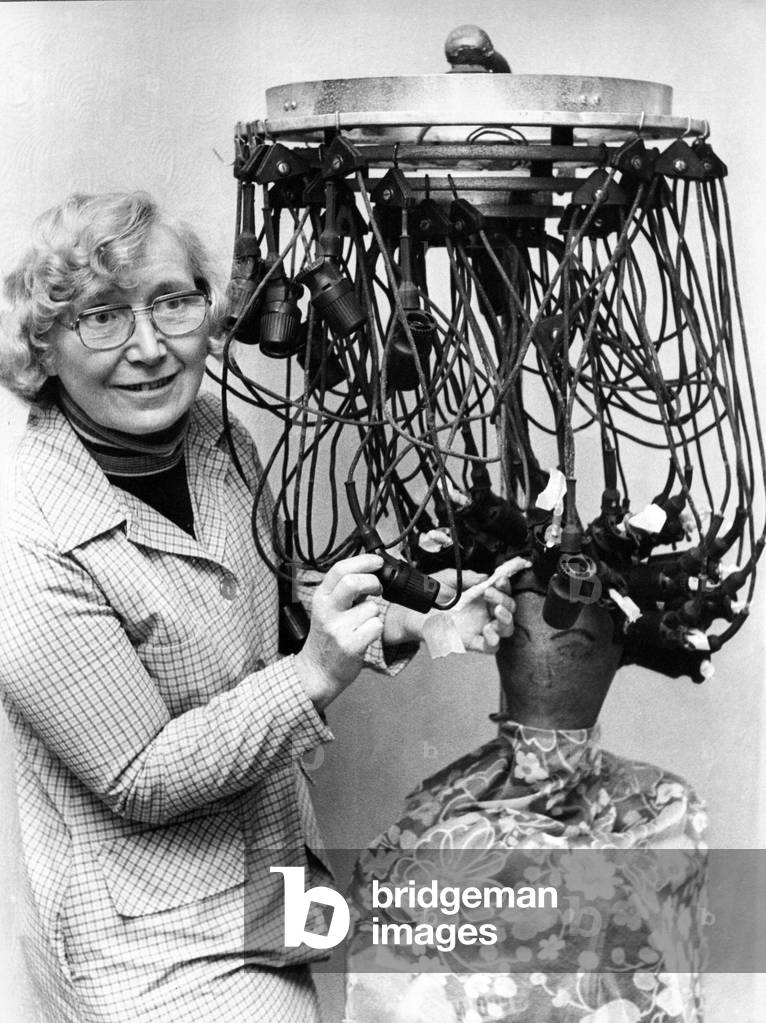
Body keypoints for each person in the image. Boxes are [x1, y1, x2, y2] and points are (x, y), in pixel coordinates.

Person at [0, 191, 517, 1023]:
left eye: (173, 302)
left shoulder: (216, 437)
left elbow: (274, 613)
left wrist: (420, 621)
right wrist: (314, 671)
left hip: (273, 895)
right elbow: (142, 774)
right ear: (43, 346)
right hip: (156, 952)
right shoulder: (24, 538)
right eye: (102, 316)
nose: (149, 346)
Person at [345, 571, 708, 1022]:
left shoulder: (667, 807)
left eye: (573, 643)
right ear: (500, 633)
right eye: (527, 635)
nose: (551, 659)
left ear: (622, 650)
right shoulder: (671, 805)